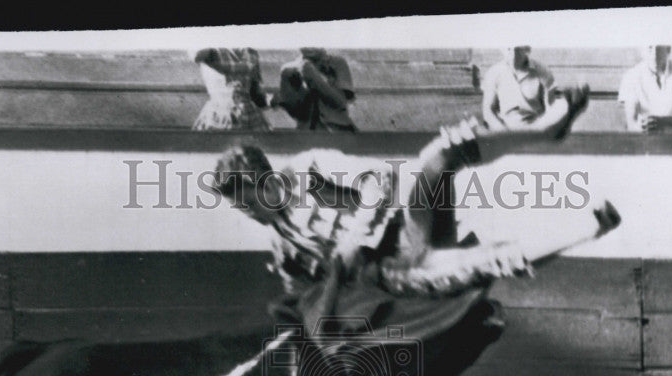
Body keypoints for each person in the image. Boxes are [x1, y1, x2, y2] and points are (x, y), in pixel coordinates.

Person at [212, 96, 619, 347]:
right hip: (388, 269)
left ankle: (544, 129)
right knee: (466, 266)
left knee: (439, 155)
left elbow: (380, 178)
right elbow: (311, 300)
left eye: (244, 202)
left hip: (405, 217)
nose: (245, 213)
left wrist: (354, 236)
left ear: (259, 181)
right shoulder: (282, 244)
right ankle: (586, 228)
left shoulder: (307, 168)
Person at [273, 48, 357, 132]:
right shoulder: (289, 69)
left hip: (338, 129)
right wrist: (286, 99)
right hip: (308, 131)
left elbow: (340, 103)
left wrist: (313, 77)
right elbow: (297, 113)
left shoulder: (337, 63)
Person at [481, 46, 564, 132]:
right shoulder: (494, 72)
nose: (512, 53)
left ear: (527, 50)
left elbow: (552, 109)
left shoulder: (542, 71)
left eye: (517, 49)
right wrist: (504, 133)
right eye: (508, 48)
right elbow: (488, 112)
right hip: (505, 130)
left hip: (536, 129)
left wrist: (540, 130)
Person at [618, 45, 672, 132]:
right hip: (645, 139)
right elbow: (631, 124)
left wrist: (658, 122)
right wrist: (640, 127)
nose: (655, 53)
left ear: (668, 49)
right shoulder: (631, 76)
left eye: (659, 48)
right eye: (650, 47)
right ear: (642, 51)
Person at [192, 48, 271, 131]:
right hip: (219, 116)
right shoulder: (212, 49)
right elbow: (195, 55)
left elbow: (256, 92)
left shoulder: (251, 52)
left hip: (250, 116)